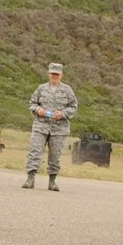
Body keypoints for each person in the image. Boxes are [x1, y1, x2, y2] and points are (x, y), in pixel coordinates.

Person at [22, 63, 76, 191]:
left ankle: (52, 181)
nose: (54, 76)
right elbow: (32, 103)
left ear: (61, 75)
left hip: (59, 128)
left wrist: (63, 114)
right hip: (41, 125)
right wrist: (38, 109)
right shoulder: (41, 88)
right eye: (52, 74)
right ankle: (30, 179)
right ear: (49, 74)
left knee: (55, 155)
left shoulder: (67, 90)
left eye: (57, 74)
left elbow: (73, 107)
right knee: (35, 151)